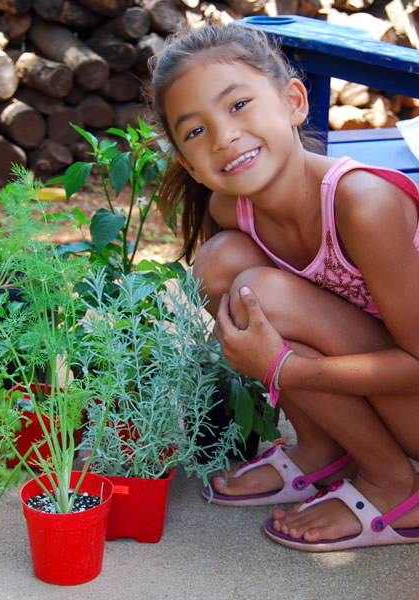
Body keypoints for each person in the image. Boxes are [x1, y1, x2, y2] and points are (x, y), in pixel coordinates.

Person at [149, 22, 419, 551]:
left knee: (260, 297)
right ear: (189, 164)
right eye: (196, 131)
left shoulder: (364, 205)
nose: (224, 136)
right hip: (385, 385)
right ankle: (322, 448)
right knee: (220, 267)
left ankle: (395, 485)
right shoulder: (232, 208)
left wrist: (286, 369)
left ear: (295, 102)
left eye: (238, 105)